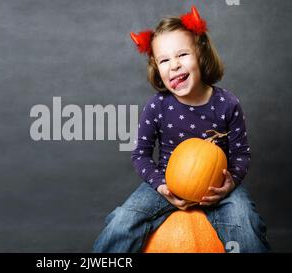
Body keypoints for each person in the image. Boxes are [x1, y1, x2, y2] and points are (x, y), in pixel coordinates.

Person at [93, 6, 270, 253]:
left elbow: (241, 155)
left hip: (216, 187)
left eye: (182, 55)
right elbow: (140, 154)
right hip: (168, 182)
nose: (174, 65)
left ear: (200, 53)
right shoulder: (158, 105)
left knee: (245, 221)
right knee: (122, 221)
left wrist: (230, 184)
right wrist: (160, 185)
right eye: (164, 60)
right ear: (157, 67)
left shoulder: (227, 104)